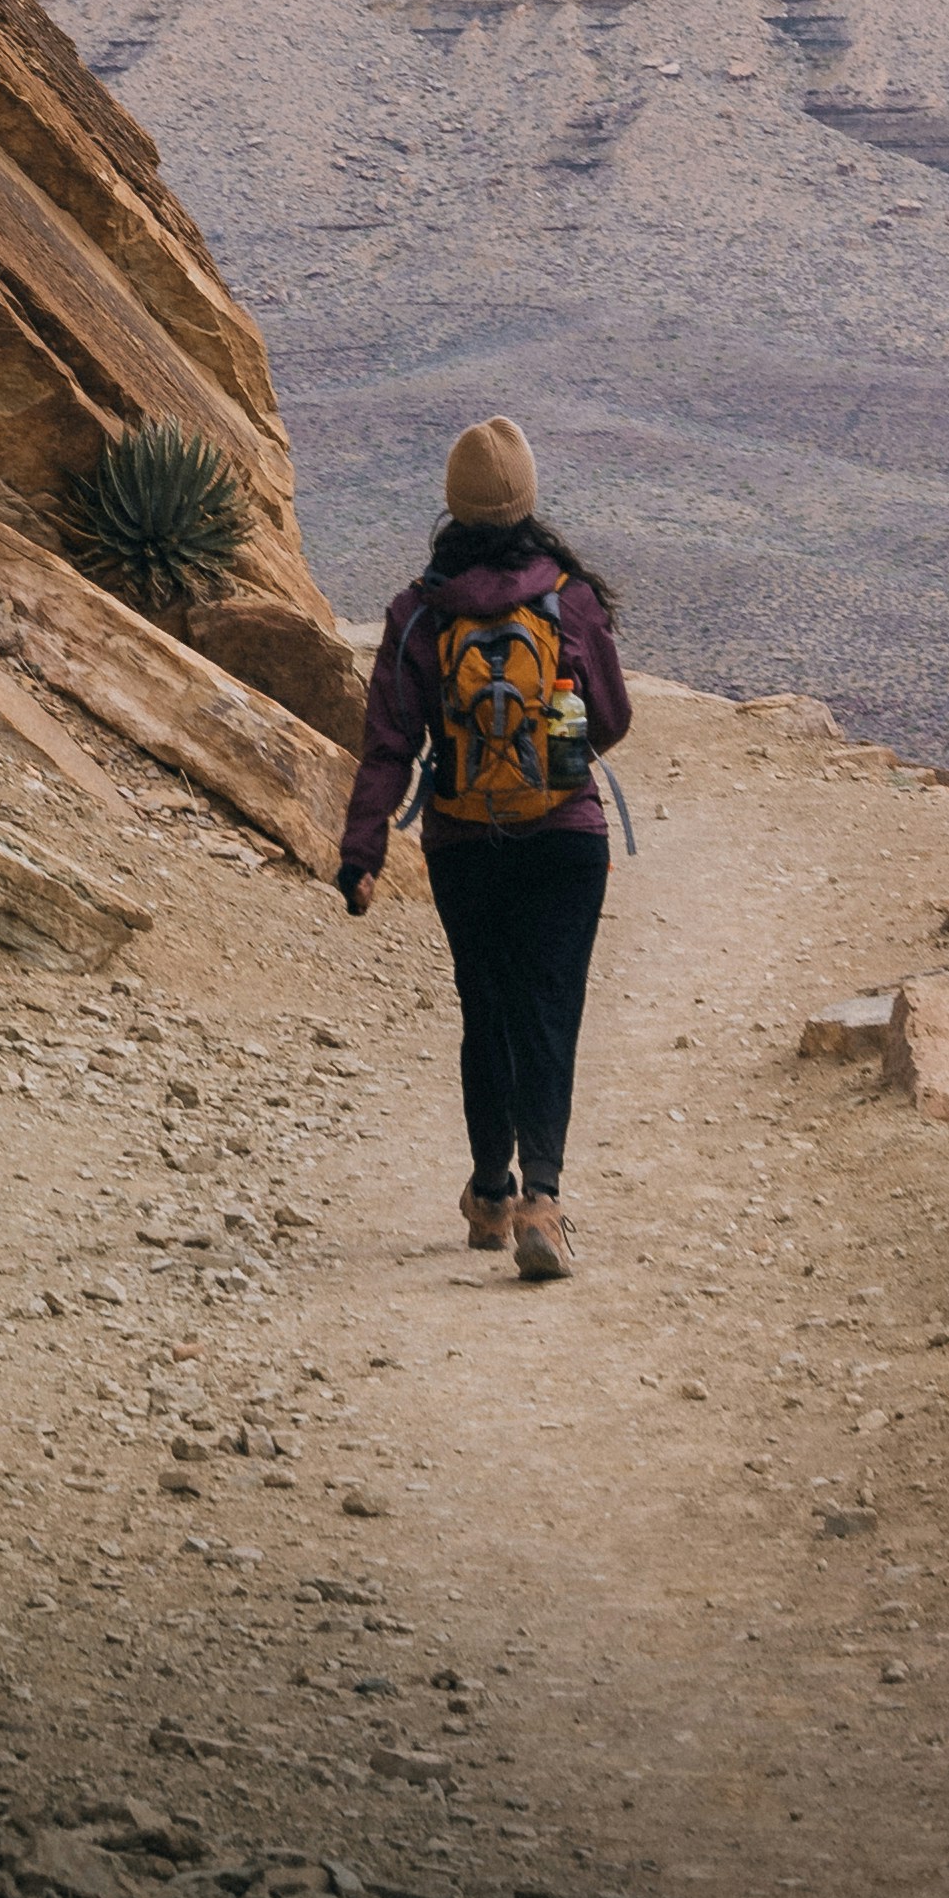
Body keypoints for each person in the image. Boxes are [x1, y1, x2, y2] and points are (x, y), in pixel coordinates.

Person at [335, 416, 631, 1283]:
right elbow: (610, 721)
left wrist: (363, 855)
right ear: (528, 498)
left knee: (487, 1009)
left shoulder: (418, 613)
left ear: (453, 507)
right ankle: (544, 1196)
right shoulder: (567, 600)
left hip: (464, 843)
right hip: (564, 841)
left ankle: (490, 1194)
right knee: (550, 1011)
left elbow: (389, 745)